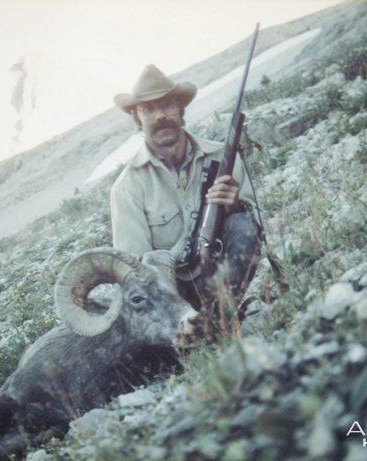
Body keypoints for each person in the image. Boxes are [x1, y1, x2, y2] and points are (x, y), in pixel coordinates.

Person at [110, 64, 261, 317]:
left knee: (243, 225)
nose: (160, 116)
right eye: (148, 109)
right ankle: (186, 336)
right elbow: (136, 272)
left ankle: (220, 322)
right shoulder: (126, 188)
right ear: (137, 118)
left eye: (167, 105)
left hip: (221, 275)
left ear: (180, 109)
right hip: (169, 296)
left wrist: (233, 206)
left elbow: (256, 224)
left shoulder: (223, 156)